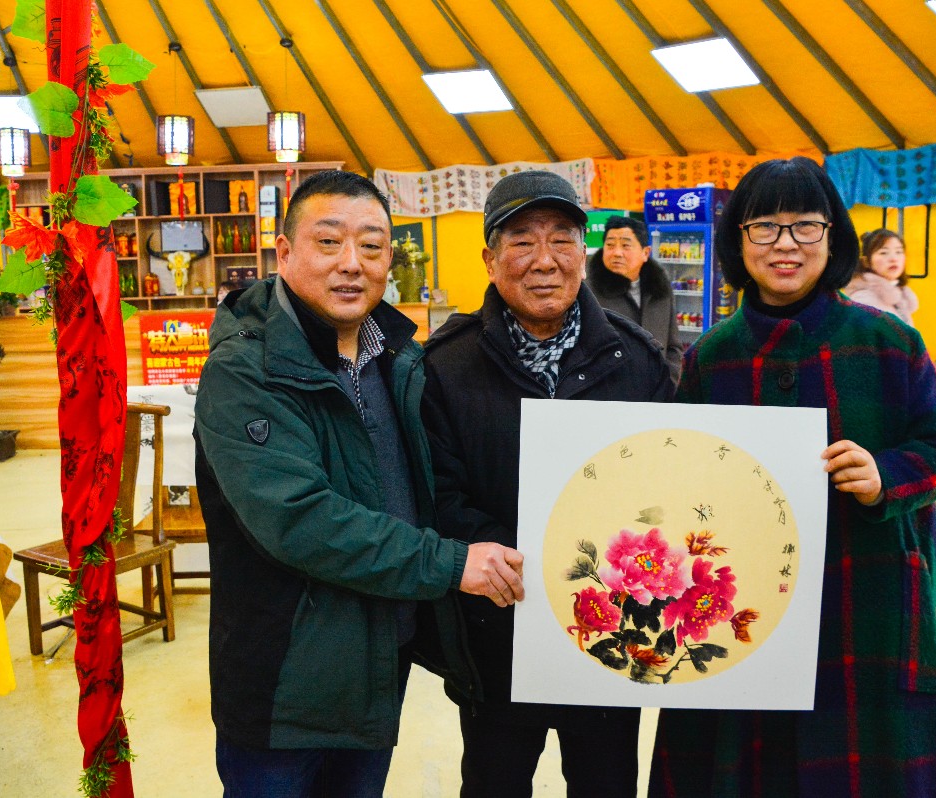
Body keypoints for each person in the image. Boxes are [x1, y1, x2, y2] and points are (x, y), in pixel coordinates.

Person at [647, 157, 936, 797]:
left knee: (862, 768)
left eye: (805, 225)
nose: (786, 244)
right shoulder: (712, 357)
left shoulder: (889, 343)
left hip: (866, 601)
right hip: (745, 604)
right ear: (739, 240)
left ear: (833, 235)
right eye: (764, 227)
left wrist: (885, 475)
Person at [194, 170, 525, 798]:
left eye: (371, 246)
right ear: (284, 252)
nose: (352, 264)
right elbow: (300, 520)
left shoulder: (400, 359)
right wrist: (453, 563)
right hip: (286, 680)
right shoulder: (244, 370)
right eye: (328, 242)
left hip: (377, 661)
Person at [421, 171, 674, 797]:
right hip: (497, 633)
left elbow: (668, 486)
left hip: (611, 633)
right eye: (522, 241)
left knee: (606, 782)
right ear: (489, 259)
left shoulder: (635, 360)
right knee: (494, 782)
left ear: (583, 254)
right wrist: (513, 558)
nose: (545, 260)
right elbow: (436, 493)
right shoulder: (446, 365)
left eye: (562, 239)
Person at [586, 214, 684, 384]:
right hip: (609, 392)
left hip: (657, 391)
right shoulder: (588, 292)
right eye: (610, 245)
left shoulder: (660, 290)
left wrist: (669, 383)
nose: (617, 253)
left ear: (645, 252)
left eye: (625, 245)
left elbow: (673, 346)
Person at [844, 228, 919, 325]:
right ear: (866, 262)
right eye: (883, 253)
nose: (894, 259)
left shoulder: (897, 297)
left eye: (899, 252)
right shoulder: (864, 300)